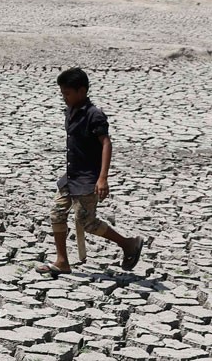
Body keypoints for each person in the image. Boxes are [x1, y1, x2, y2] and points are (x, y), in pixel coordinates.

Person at [39, 67, 144, 274]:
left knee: (87, 222)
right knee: (57, 213)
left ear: (82, 91)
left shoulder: (94, 115)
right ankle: (62, 262)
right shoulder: (71, 111)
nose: (64, 98)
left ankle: (128, 244)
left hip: (88, 179)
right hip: (71, 176)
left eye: (67, 93)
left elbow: (106, 143)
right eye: (62, 93)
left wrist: (102, 178)